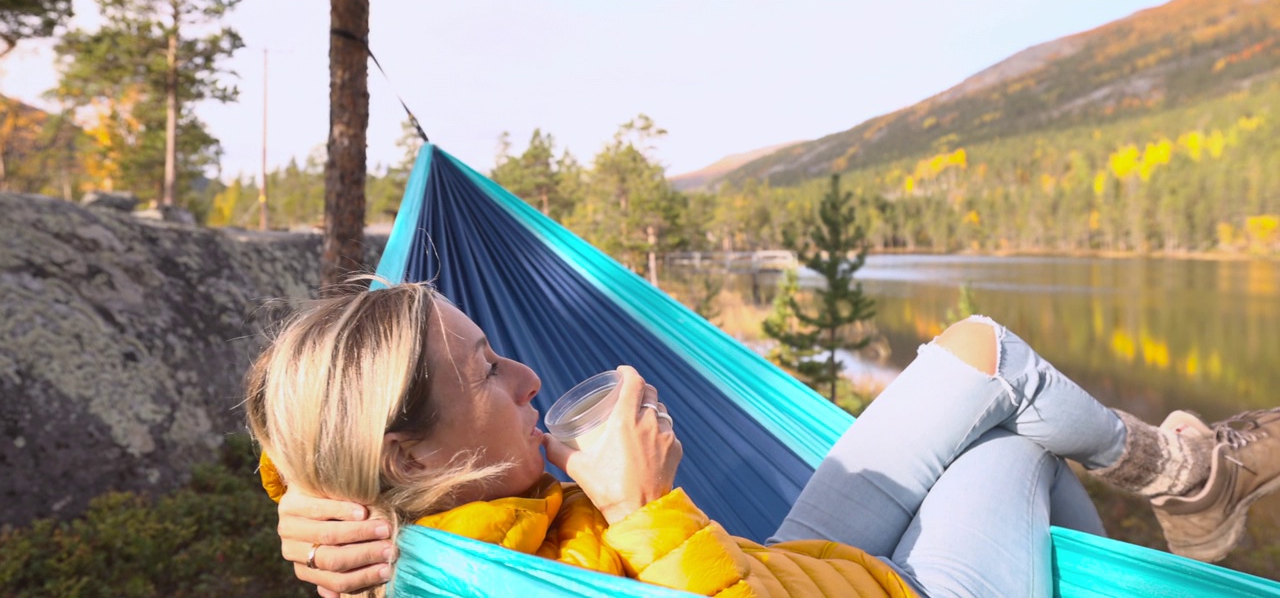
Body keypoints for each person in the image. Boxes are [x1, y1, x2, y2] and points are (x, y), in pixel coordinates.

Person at [248, 281, 1280, 598]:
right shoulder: (484, 578)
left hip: (788, 564)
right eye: (483, 371)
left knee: (980, 354)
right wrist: (643, 513)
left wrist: (298, 487)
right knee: (1012, 448)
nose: (524, 377)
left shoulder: (385, 516)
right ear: (409, 454)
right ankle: (1187, 494)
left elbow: (311, 439)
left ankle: (1187, 480)